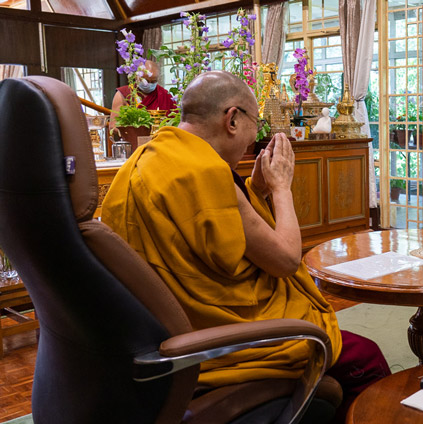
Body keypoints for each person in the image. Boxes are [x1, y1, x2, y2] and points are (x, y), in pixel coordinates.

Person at [101, 71, 390, 420]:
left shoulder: (142, 161)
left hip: (158, 340)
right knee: (366, 357)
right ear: (233, 119)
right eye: (257, 124)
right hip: (222, 341)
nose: (254, 141)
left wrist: (255, 192)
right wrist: (282, 188)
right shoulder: (207, 172)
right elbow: (283, 260)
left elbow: (221, 234)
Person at [109, 60, 177, 130]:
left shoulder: (165, 95)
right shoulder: (124, 94)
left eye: (153, 81)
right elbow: (113, 126)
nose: (149, 84)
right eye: (146, 81)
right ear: (136, 77)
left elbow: (176, 123)